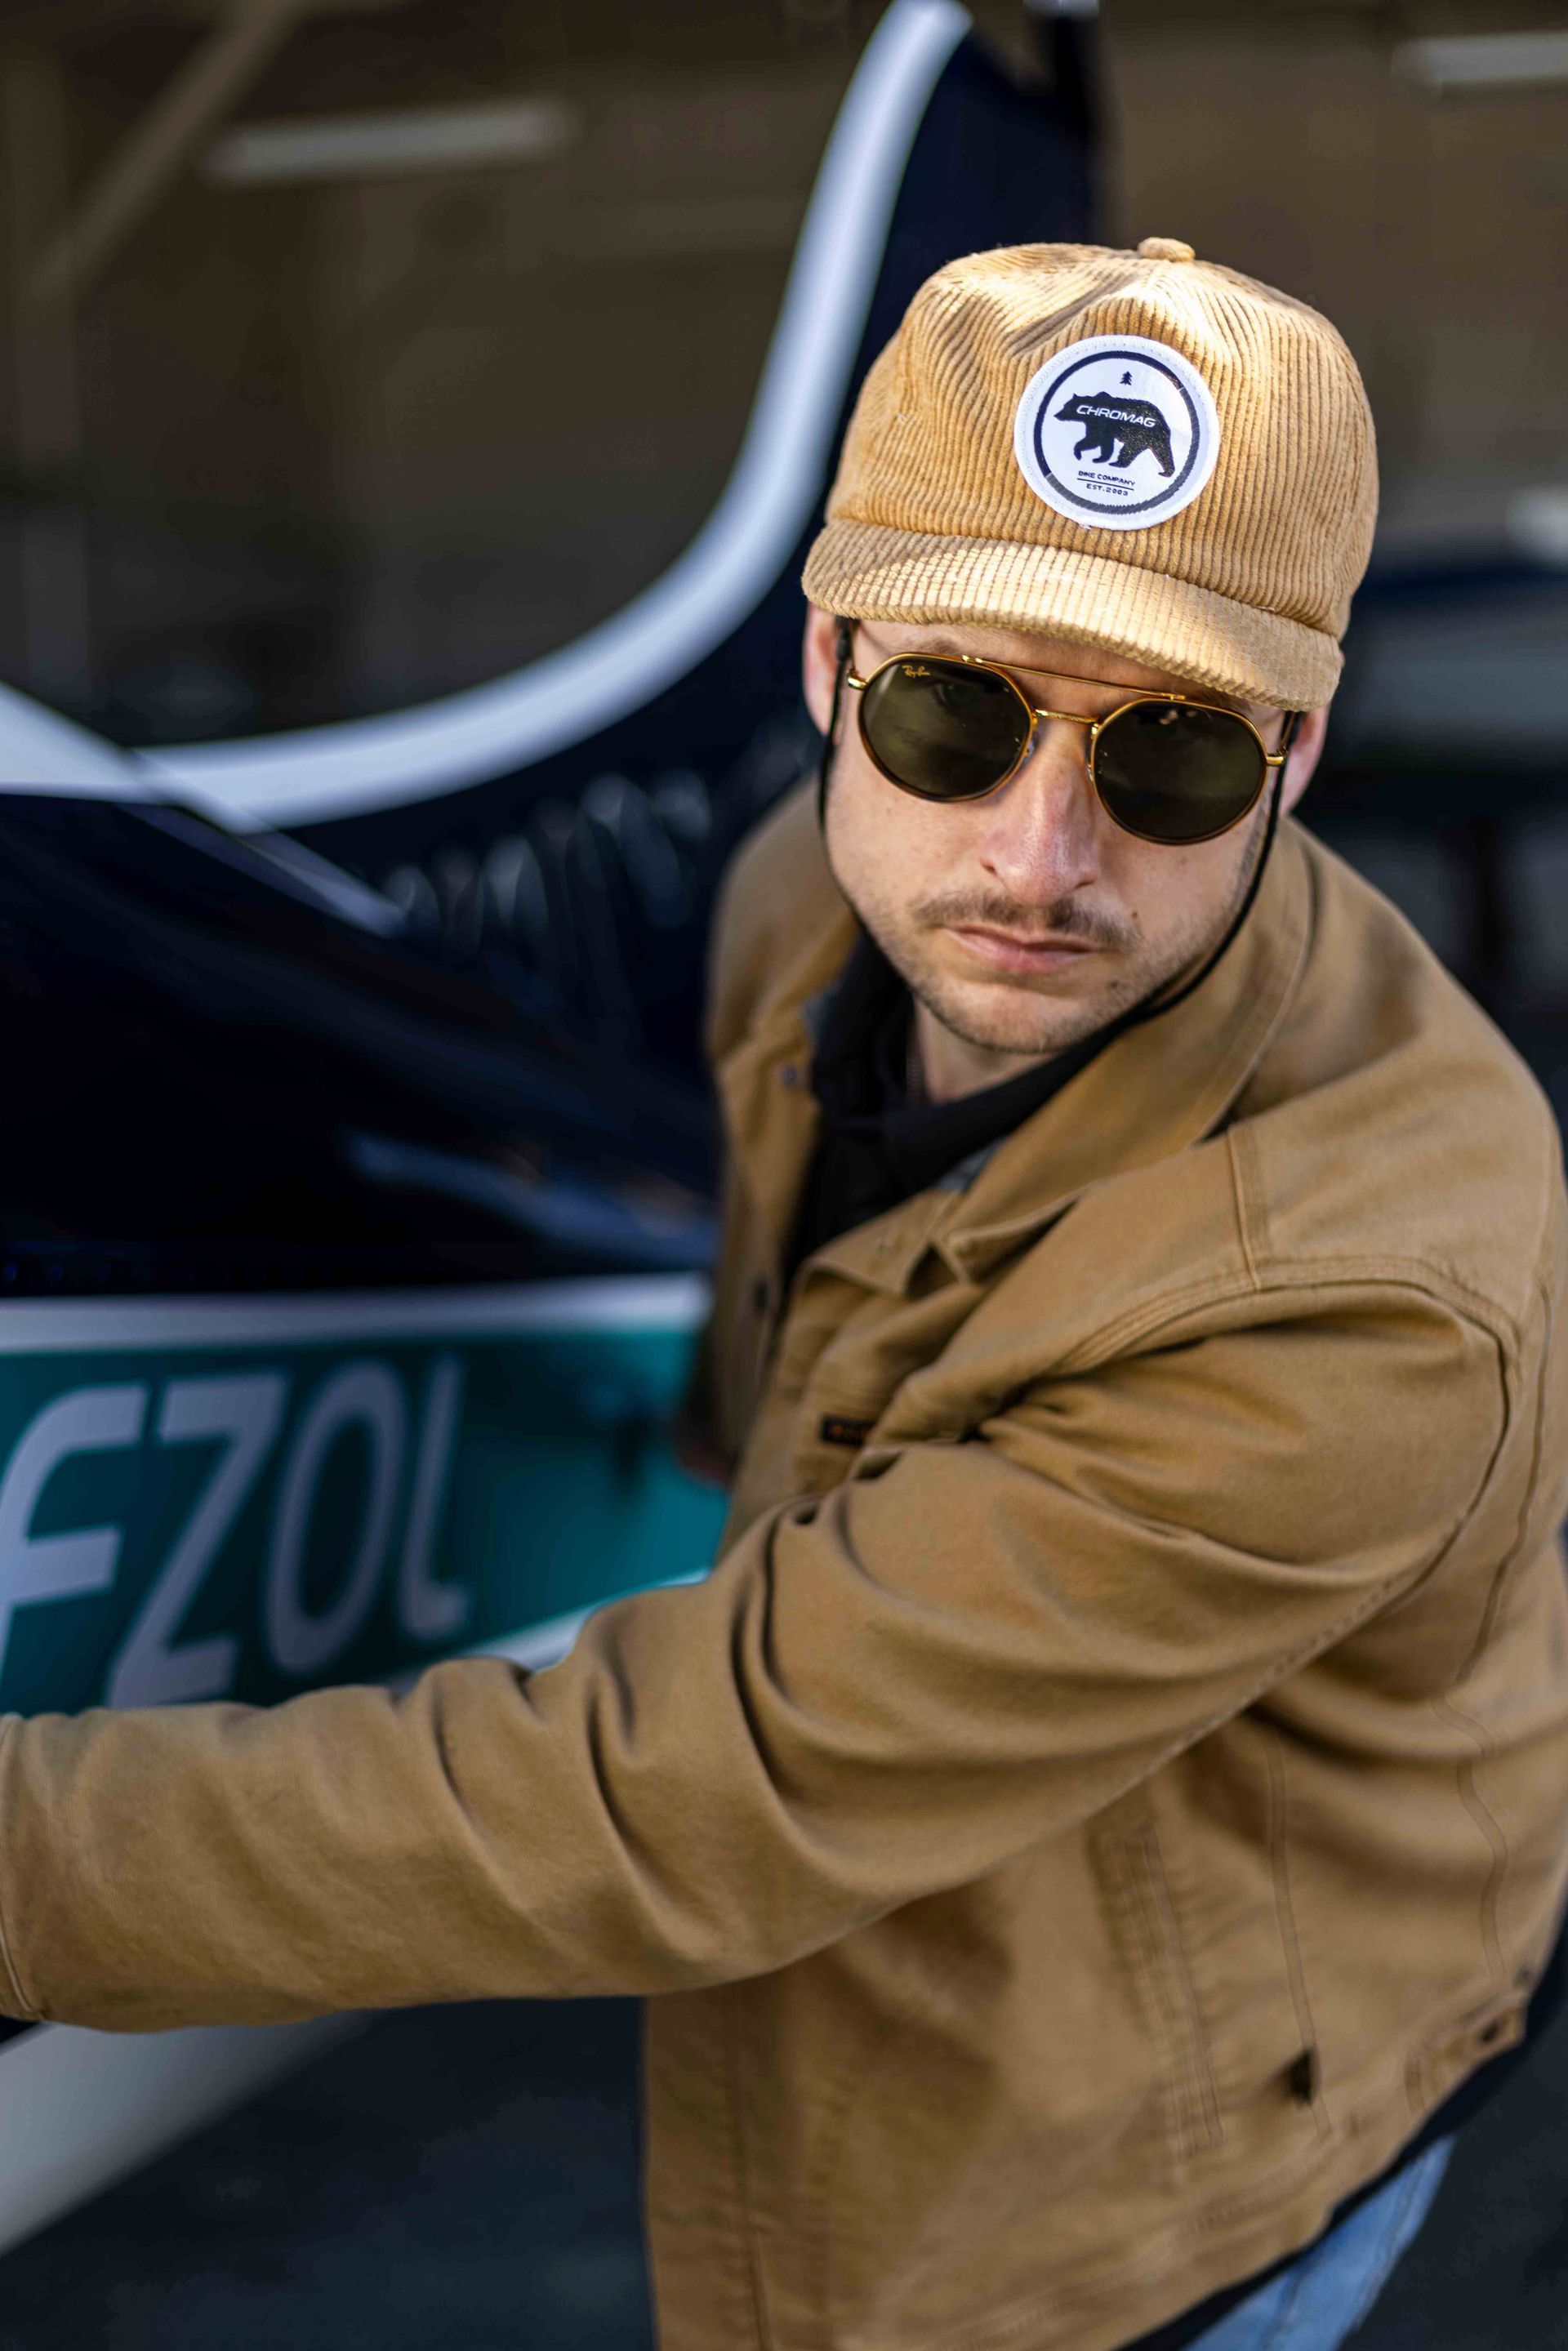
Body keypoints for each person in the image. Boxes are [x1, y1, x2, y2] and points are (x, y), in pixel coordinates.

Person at [1, 238, 1566, 2351]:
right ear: (828, 667)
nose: (1036, 859)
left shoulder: (1368, 1295)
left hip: (1179, 2178)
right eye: (952, 713)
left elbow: (697, 1797)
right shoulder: (803, 906)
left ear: (1296, 756)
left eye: (1171, 757)